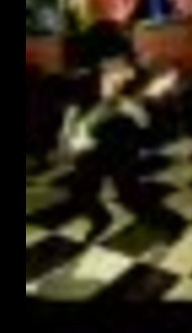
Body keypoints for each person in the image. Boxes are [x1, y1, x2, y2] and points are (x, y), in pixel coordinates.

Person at [34, 51, 180, 243]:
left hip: (121, 148)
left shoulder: (131, 91)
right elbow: (73, 108)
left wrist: (137, 113)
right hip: (91, 148)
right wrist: (67, 133)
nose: (127, 75)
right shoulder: (88, 83)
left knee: (130, 195)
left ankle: (172, 224)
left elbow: (146, 123)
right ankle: (101, 219)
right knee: (82, 191)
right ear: (106, 68)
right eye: (119, 69)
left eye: (126, 70)